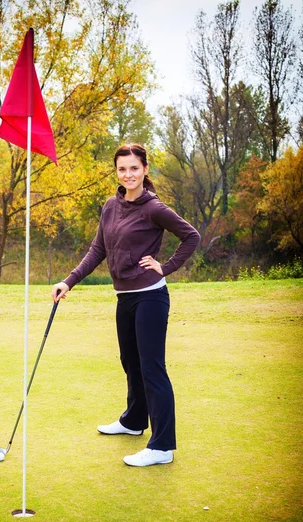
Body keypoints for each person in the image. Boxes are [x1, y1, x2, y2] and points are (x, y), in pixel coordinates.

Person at [51, 143, 200, 467]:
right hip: (125, 298)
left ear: (145, 170)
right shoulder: (110, 206)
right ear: (116, 172)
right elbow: (97, 250)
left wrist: (166, 266)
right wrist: (69, 281)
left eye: (134, 168)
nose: (128, 174)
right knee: (130, 362)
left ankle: (162, 446)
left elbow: (191, 236)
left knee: (152, 368)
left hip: (151, 296)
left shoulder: (154, 208)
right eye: (122, 169)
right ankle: (134, 421)